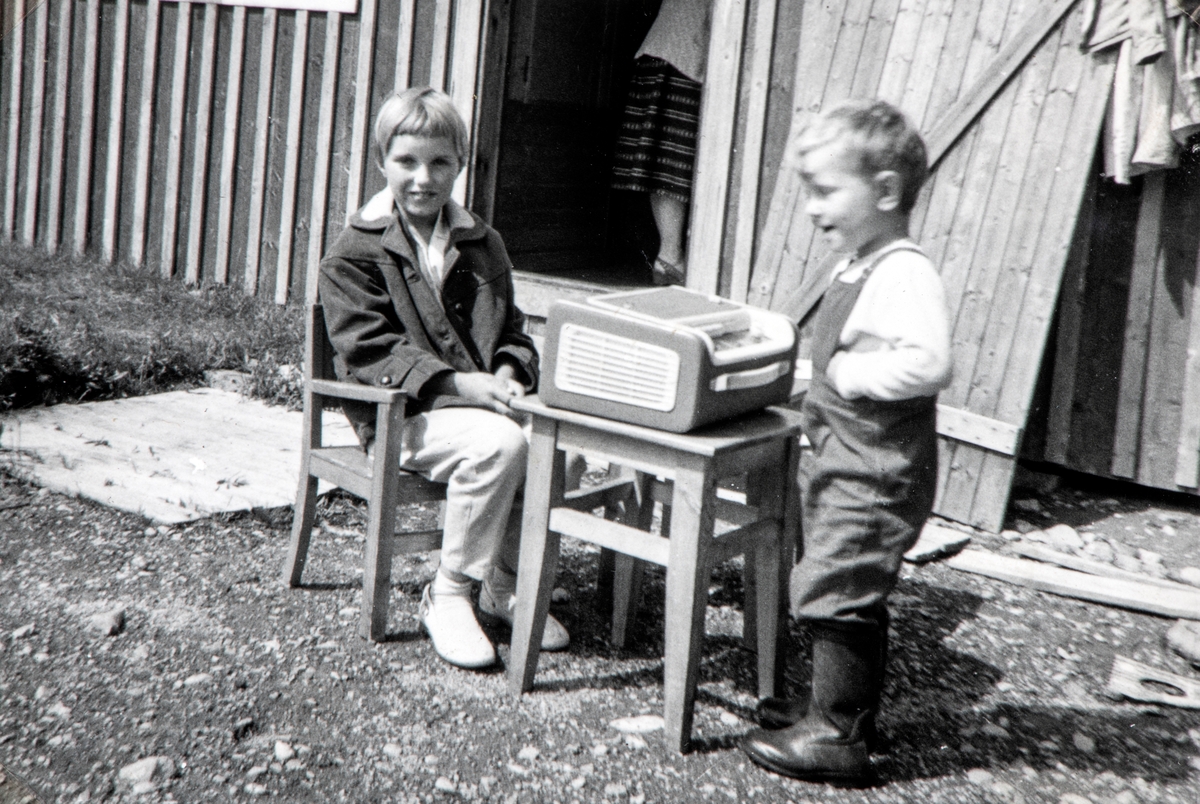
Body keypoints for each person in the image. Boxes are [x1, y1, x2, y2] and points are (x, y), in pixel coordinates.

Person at [738, 99, 953, 786]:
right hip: (843, 459)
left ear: (885, 191)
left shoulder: (903, 271)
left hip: (876, 470)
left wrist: (852, 375)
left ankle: (838, 736)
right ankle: (834, 708)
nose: (811, 207)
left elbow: (928, 363)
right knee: (837, 578)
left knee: (839, 587)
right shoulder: (859, 264)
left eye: (826, 191)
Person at [318, 87, 569, 670]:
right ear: (381, 161)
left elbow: (513, 330)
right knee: (500, 443)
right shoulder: (354, 252)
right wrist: (464, 387)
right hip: (401, 417)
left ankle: (502, 581)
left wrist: (506, 372)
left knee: (562, 446)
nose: (423, 178)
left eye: (440, 162)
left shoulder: (482, 242)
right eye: (406, 161)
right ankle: (449, 592)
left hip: (479, 408)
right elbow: (369, 351)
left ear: (460, 164)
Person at [611, 0, 711, 286]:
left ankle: (670, 256)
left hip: (668, 50)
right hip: (683, 54)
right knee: (670, 161)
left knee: (667, 160)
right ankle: (671, 257)